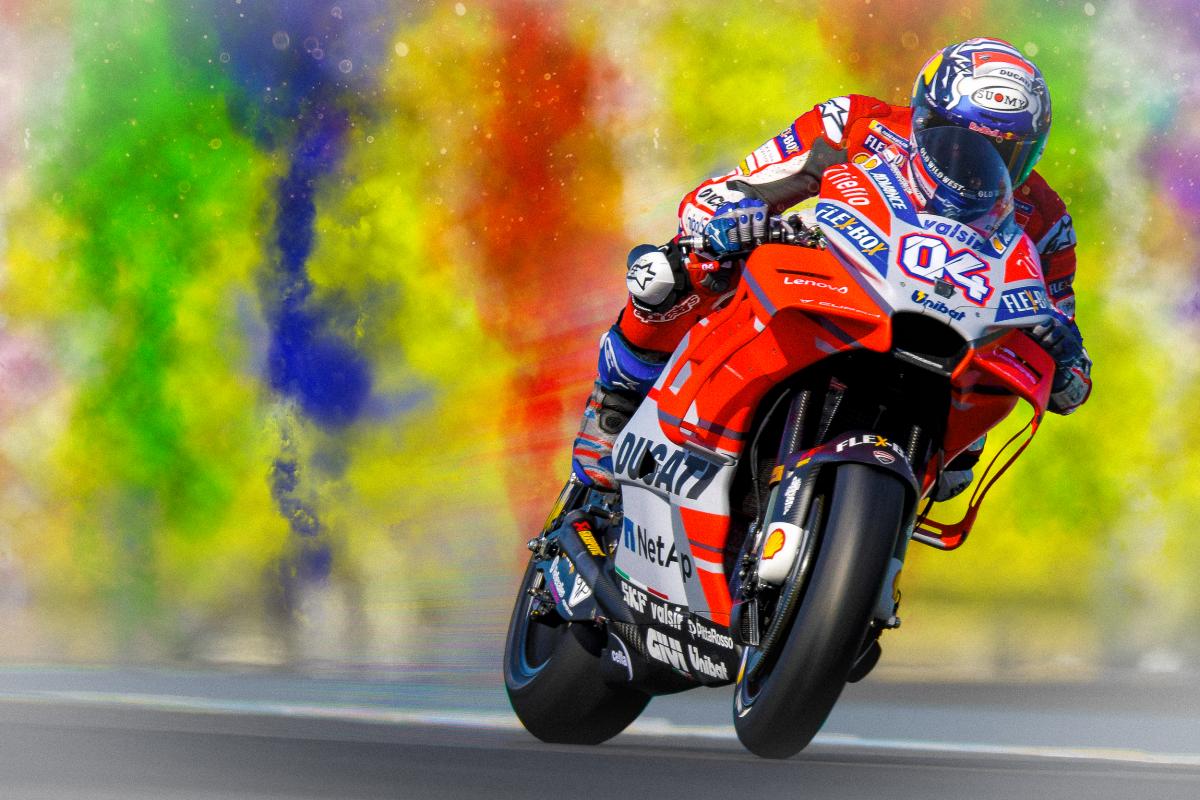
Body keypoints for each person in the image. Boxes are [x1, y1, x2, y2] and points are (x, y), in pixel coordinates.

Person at [571, 37, 1092, 498]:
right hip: (829, 278)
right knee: (675, 270)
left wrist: (1062, 353)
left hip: (942, 343)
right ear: (924, 119)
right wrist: (738, 215)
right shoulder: (855, 123)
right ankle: (617, 403)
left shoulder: (1046, 219)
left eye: (1004, 154)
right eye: (959, 144)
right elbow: (717, 195)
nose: (975, 170)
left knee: (969, 448)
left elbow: (1069, 360)